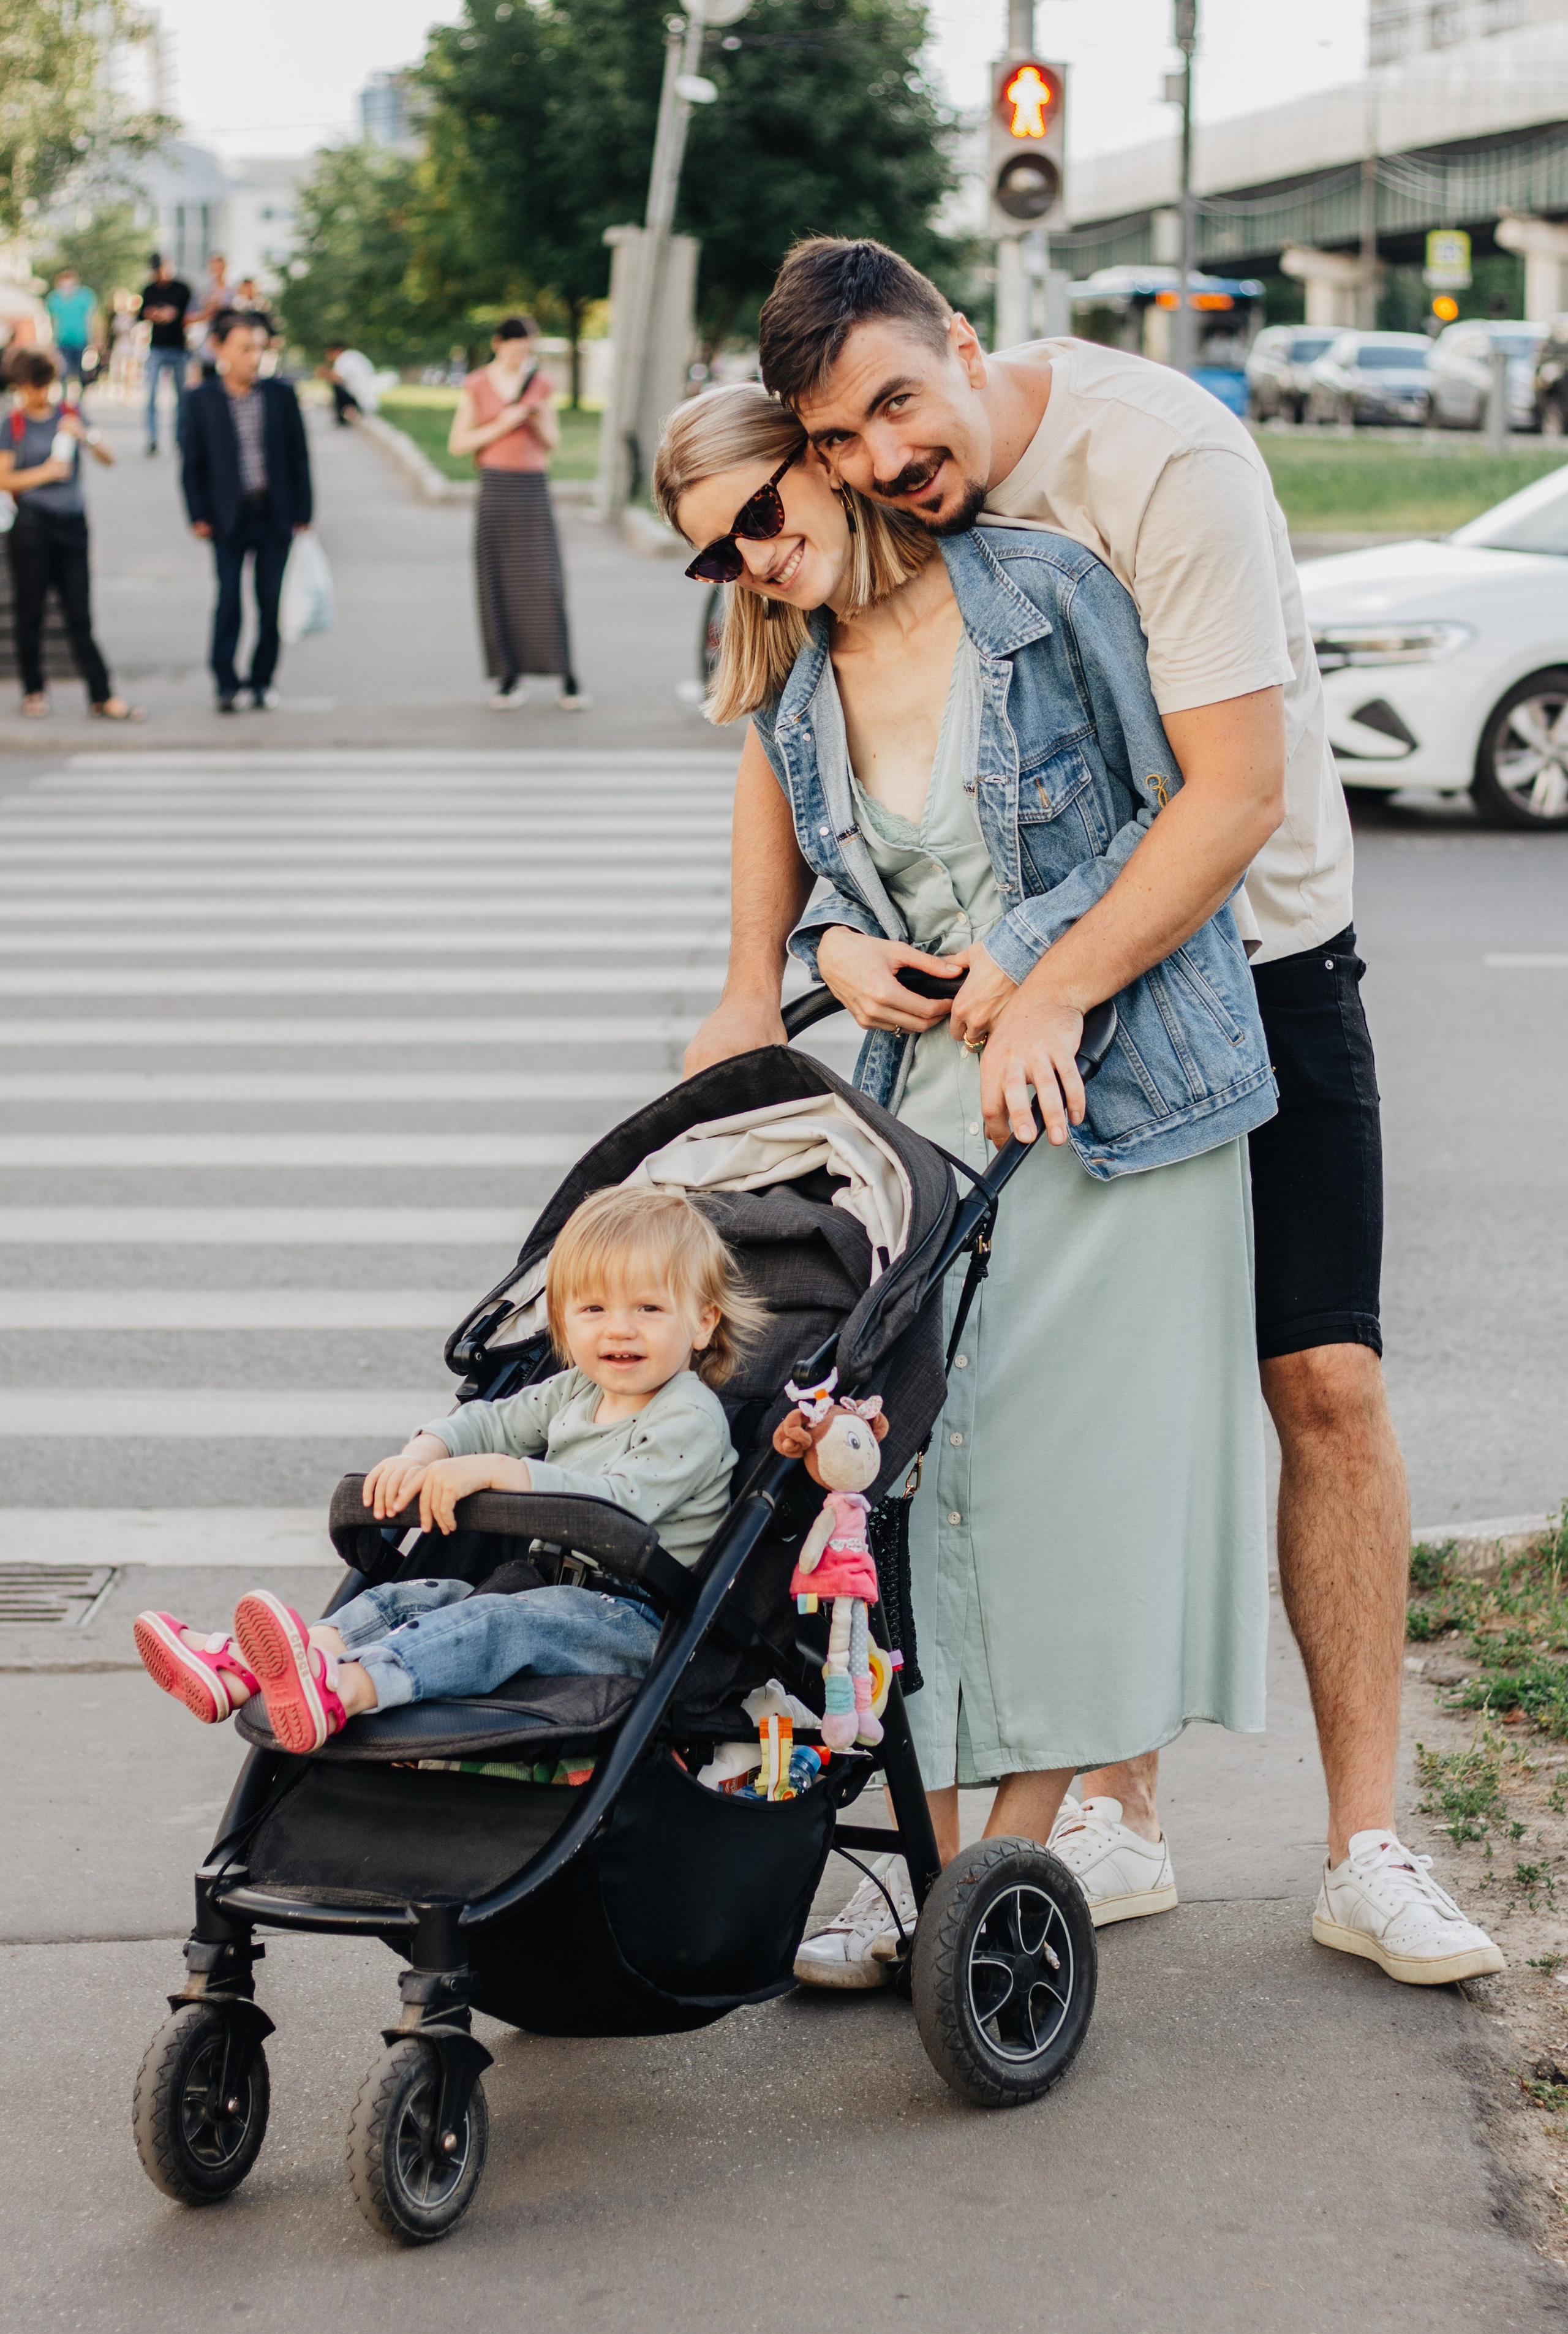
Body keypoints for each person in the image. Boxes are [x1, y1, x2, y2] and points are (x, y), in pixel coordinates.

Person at [688, 236, 1501, 1988]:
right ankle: (1089, 1822)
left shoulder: (1163, 461)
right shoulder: (869, 514)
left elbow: (1228, 794)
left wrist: (1050, 979)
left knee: (1324, 1381)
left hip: (1252, 958)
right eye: (841, 438)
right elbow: (791, 712)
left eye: (904, 405)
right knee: (1025, 1418)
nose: (888, 456)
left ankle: (1366, 1846)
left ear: (965, 345)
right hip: (1017, 1000)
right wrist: (797, 955)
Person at [656, 383, 1296, 1993]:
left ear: (819, 462)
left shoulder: (1040, 596)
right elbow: (822, 880)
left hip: (1116, 1086)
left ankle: (996, 1872)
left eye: (757, 515)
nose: (749, 559)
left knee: (1067, 1485)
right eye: (712, 555)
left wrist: (1033, 951)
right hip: (939, 1107)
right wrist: (832, 955)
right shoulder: (795, 682)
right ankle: (930, 1872)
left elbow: (1185, 815)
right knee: (912, 1490)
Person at [132, 1189, 758, 1753]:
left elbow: (622, 1504)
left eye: (648, 1308)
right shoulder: (573, 1391)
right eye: (593, 1309)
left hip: (637, 1619)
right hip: (543, 1589)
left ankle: (344, 1689)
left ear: (703, 1322)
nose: (619, 1328)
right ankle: (248, 1670)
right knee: (412, 1598)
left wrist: (503, 1473)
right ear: (563, 1322)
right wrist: (423, 1454)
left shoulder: (690, 1415)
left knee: (491, 1623)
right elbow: (487, 1422)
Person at [448, 315, 588, 711]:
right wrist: (503, 424)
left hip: (533, 487)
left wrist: (539, 420)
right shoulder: (476, 384)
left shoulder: (541, 384)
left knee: (546, 581)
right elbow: (459, 443)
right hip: (495, 486)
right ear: (499, 344)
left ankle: (566, 675)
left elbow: (552, 443)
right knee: (497, 583)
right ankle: (507, 677)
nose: (522, 356)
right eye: (516, 348)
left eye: (528, 349)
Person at [181, 310, 313, 714]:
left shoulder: (281, 395)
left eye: (259, 348)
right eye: (244, 348)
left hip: (274, 515)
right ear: (219, 349)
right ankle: (225, 681)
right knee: (228, 600)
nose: (254, 357)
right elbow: (192, 463)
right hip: (226, 517)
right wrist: (197, 514)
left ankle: (262, 680)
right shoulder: (200, 400)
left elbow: (299, 457)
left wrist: (304, 510)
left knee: (270, 602)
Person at [0, 348, 143, 721]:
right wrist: (46, 472)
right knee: (30, 612)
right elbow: (4, 478)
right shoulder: (13, 424)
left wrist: (86, 435)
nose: (39, 394)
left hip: (72, 524)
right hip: (32, 525)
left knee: (79, 614)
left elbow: (109, 458)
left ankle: (101, 694)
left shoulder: (70, 415)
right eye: (32, 387)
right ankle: (33, 689)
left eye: (44, 386)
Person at [139, 254, 191, 454]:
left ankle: (181, 438)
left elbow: (189, 315)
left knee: (182, 398)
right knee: (151, 394)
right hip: (157, 347)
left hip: (179, 348)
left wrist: (172, 314)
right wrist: (152, 314)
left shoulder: (182, 288)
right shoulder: (149, 290)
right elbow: (141, 315)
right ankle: (152, 437)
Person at [45, 268, 98, 397]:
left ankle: (79, 400)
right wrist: (50, 340)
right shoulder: (55, 298)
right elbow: (52, 321)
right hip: (62, 340)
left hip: (81, 340)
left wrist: (94, 339)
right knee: (63, 371)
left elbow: (91, 318)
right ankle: (64, 399)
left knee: (81, 372)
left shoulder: (85, 296)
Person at [318, 341, 380, 426]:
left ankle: (343, 417)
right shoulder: (353, 356)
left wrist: (324, 373)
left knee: (337, 387)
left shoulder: (344, 358)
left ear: (337, 351)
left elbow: (337, 379)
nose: (328, 357)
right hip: (363, 393)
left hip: (359, 396)